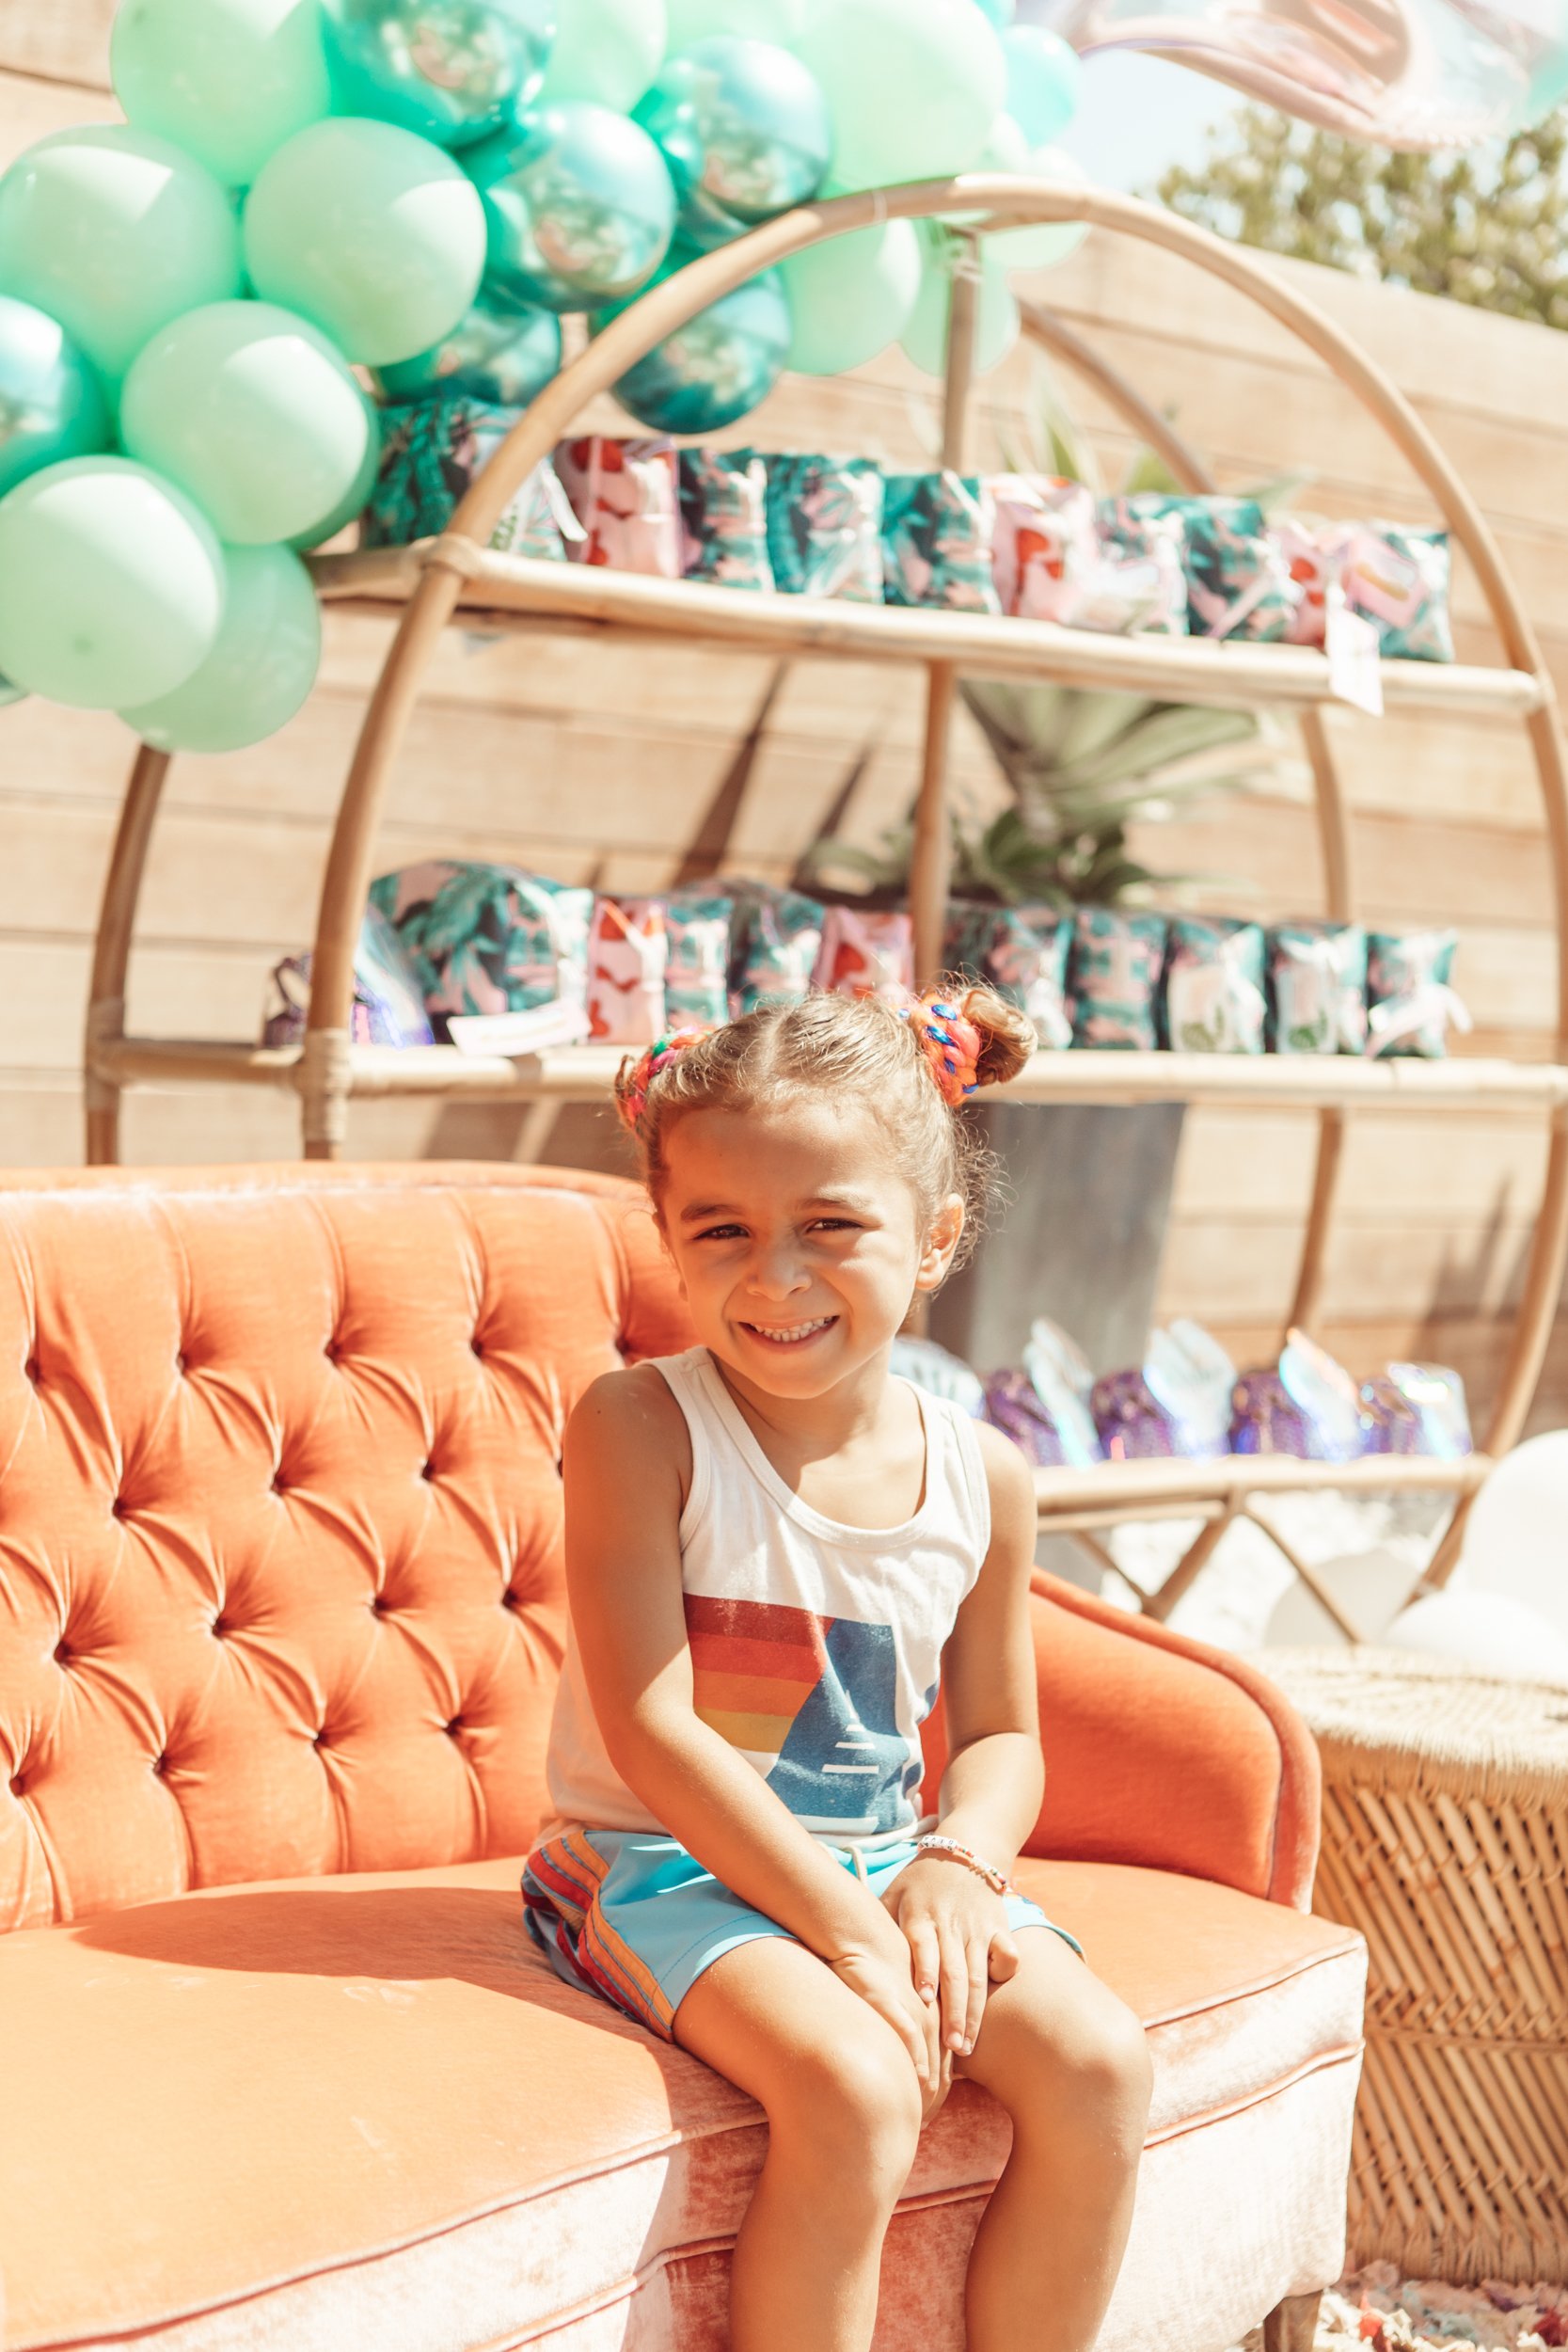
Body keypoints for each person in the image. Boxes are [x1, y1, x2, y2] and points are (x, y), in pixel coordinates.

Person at [523, 984, 1154, 2352]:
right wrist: (853, 1939)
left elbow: (1000, 1737)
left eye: (831, 1227)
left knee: (1103, 2064)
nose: (777, 1275)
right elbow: (649, 1732)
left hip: (884, 1864)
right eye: (725, 1232)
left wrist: (959, 1866)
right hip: (654, 1864)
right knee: (860, 2085)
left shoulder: (982, 1472)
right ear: (668, 1242)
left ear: (937, 1236)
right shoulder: (642, 1425)